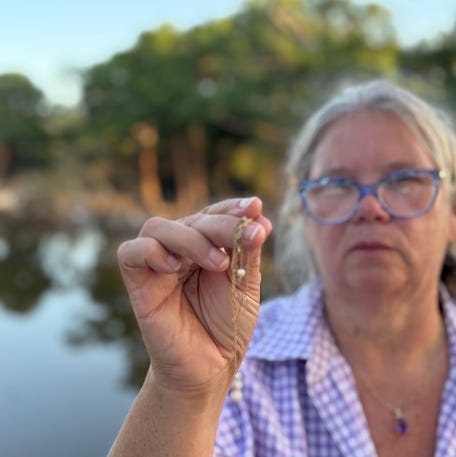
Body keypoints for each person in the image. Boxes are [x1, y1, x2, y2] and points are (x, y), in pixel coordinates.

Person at [108, 80, 456, 457]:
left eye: (405, 180)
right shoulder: (236, 363)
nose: (370, 208)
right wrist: (184, 391)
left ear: (452, 214)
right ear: (301, 216)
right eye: (336, 184)